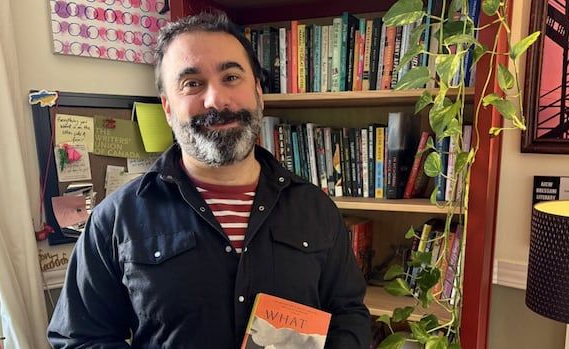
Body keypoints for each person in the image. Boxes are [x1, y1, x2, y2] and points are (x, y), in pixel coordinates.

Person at [47, 10, 371, 348]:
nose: (216, 99)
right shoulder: (116, 219)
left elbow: (348, 313)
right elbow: (79, 338)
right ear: (168, 107)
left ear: (258, 91)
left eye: (231, 77)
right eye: (192, 83)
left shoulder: (315, 208)